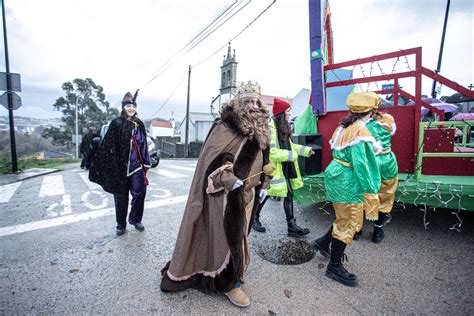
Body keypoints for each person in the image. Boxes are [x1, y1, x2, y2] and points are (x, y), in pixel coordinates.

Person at [160, 81, 271, 308]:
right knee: (227, 240)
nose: (253, 105)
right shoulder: (224, 127)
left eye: (256, 100)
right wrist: (230, 179)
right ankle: (230, 283)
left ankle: (234, 275)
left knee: (241, 237)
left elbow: (264, 159)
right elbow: (210, 165)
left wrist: (265, 183)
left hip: (249, 194)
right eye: (248, 100)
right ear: (239, 103)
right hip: (223, 197)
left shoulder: (261, 128)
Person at [309, 92, 381, 287]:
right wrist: (371, 191)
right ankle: (334, 267)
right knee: (349, 221)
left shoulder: (343, 126)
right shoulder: (359, 130)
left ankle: (323, 243)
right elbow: (362, 165)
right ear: (372, 112)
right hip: (347, 182)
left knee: (343, 217)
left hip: (336, 176)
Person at [89, 91, 151, 236]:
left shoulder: (139, 124)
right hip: (120, 168)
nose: (131, 108)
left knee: (140, 193)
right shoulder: (117, 123)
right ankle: (121, 224)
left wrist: (145, 163)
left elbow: (144, 146)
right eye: (128, 106)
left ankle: (135, 219)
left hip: (137, 167)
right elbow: (107, 145)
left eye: (133, 106)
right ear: (123, 108)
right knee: (121, 197)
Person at [252, 98, 314, 237]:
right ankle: (254, 218)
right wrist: (292, 155)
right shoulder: (272, 130)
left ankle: (291, 226)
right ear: (281, 113)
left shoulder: (283, 127)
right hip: (274, 170)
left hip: (284, 167)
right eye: (288, 111)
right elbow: (272, 153)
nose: (290, 114)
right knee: (268, 193)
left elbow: (290, 146)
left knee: (287, 194)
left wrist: (306, 150)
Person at [355, 101, 398, 243]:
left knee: (361, 195)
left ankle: (357, 230)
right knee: (385, 197)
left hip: (368, 164)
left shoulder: (359, 124)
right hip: (387, 162)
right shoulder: (388, 119)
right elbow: (391, 131)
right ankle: (377, 232)